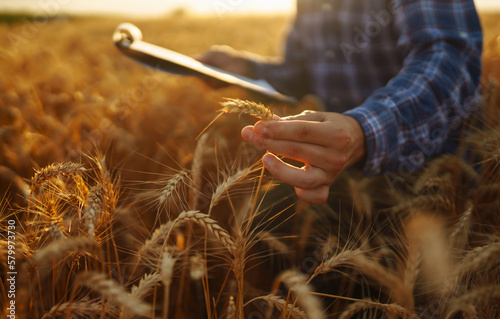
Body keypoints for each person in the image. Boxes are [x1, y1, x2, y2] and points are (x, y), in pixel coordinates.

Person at [198, 0, 483, 205]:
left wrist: (364, 131)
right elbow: (301, 73)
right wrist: (244, 68)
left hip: (434, 173)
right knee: (268, 220)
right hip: (342, 168)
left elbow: (448, 58)